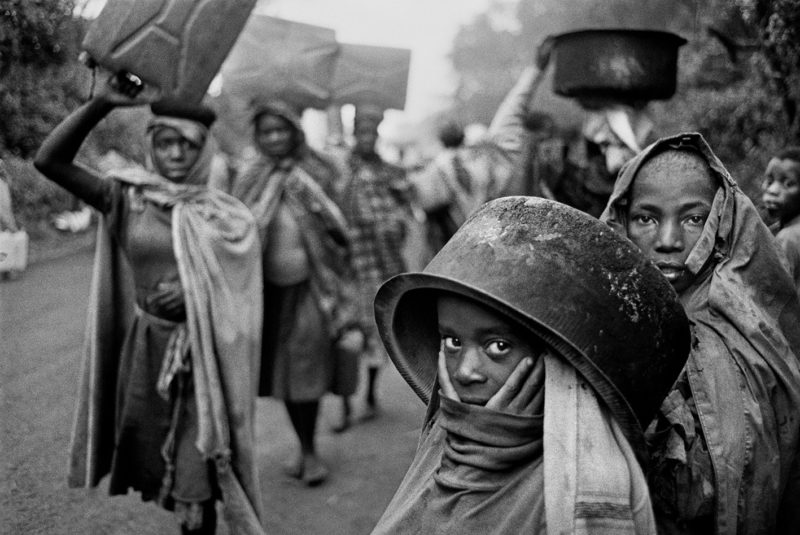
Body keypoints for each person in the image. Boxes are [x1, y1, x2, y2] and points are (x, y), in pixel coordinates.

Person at [370, 196, 691, 534]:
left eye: (498, 346)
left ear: (557, 366)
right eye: (452, 342)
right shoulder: (443, 441)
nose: (464, 371)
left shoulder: (583, 485)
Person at [33, 74, 265, 535]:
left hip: (205, 359)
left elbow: (243, 295)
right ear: (151, 146)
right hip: (147, 349)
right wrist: (101, 104)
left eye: (188, 145)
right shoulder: (127, 197)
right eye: (165, 143)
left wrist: (197, 293)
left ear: (205, 150)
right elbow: (49, 161)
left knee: (197, 478)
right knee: (166, 468)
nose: (176, 155)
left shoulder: (223, 214)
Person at [601, 132, 800, 534]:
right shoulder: (595, 324)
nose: (668, 241)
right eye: (646, 218)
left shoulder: (755, 332)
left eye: (694, 219)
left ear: (722, 224)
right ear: (621, 220)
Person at [229, 99, 363, 485]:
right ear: (257, 137)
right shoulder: (250, 177)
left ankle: (309, 451)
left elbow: (339, 225)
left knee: (306, 369)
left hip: (313, 289)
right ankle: (303, 445)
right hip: (268, 294)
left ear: (294, 131)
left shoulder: (316, 171)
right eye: (266, 131)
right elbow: (235, 228)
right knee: (285, 376)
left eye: (281, 129)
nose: (274, 138)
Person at [335, 103, 413, 425]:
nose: (367, 138)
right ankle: (343, 404)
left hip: (382, 264)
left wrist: (395, 220)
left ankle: (368, 394)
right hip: (348, 264)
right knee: (344, 332)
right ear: (354, 134)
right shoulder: (341, 168)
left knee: (375, 333)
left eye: (372, 132)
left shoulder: (390, 171)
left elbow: (407, 207)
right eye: (361, 132)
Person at [761, 146, 800, 292]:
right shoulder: (779, 230)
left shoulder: (788, 238)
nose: (772, 190)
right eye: (770, 181)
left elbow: (772, 294)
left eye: (788, 184)